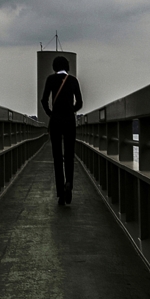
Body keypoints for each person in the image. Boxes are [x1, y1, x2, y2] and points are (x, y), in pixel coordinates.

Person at [40, 56, 83, 205]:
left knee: (57, 157)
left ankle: (60, 194)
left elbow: (44, 100)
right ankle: (69, 183)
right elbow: (80, 102)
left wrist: (50, 113)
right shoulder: (73, 80)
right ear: (67, 66)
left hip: (56, 121)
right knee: (69, 155)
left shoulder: (51, 79)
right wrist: (72, 110)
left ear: (54, 66)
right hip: (69, 121)